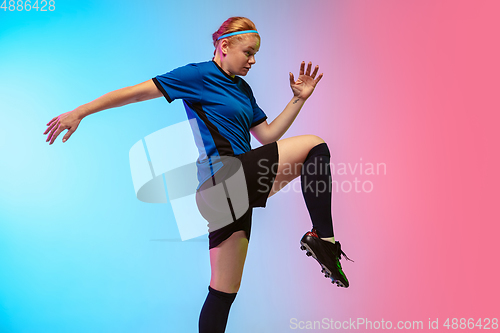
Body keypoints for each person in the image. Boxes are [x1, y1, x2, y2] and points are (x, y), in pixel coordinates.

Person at [44, 16, 352, 333]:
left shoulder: (243, 89)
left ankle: (321, 242)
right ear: (224, 45)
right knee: (316, 146)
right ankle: (323, 239)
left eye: (256, 53)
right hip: (224, 179)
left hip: (232, 195)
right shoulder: (198, 75)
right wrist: (81, 111)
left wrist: (299, 99)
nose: (253, 60)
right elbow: (137, 93)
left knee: (223, 293)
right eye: (248, 51)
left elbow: (268, 136)